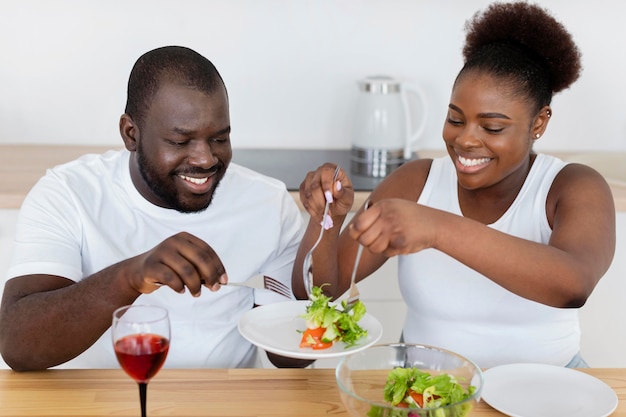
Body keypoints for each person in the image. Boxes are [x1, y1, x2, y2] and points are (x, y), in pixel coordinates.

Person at [294, 2, 616, 369]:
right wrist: (326, 221)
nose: (465, 140)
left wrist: (436, 228)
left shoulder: (572, 187)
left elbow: (573, 285)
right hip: (423, 391)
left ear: (539, 122)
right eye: (455, 119)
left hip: (546, 389)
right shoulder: (417, 182)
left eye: (492, 127)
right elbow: (320, 293)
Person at [0, 46, 309, 371]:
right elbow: (17, 345)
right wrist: (129, 277)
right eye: (180, 142)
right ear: (131, 134)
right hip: (95, 402)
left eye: (219, 139)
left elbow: (289, 357)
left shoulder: (268, 203)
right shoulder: (68, 194)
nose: (205, 159)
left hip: (220, 399)